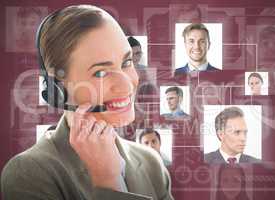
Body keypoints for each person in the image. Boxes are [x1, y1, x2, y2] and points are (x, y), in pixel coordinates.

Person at [1, 5, 173, 200]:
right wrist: (107, 182)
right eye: (100, 73)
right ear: (57, 89)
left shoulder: (151, 163)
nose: (127, 85)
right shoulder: (28, 173)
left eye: (126, 62)